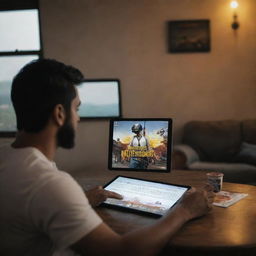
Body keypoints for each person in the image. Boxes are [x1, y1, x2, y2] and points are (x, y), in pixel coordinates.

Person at [0, 58, 214, 256]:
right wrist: (184, 211)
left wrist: (82, 200)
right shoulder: (48, 184)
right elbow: (122, 251)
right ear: (59, 114)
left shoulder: (7, 157)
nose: (78, 118)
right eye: (76, 108)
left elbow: (37, 208)